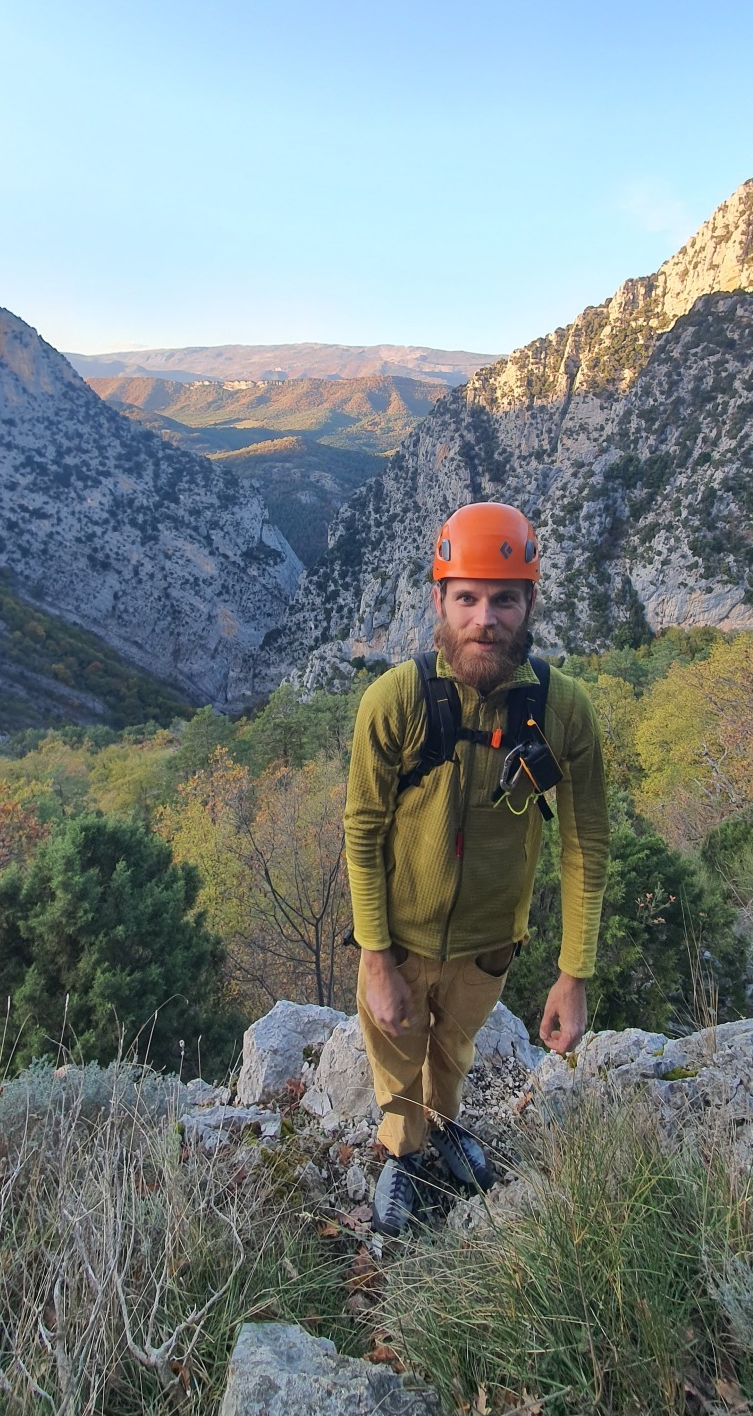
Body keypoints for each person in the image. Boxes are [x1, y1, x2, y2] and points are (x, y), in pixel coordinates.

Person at [343, 501, 609, 1236]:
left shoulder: (564, 711)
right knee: (397, 1054)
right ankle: (403, 1150)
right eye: (466, 598)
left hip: (489, 946)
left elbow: (586, 844)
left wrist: (574, 973)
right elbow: (362, 832)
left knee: (453, 1050)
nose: (484, 619)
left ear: (530, 604)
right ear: (440, 601)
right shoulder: (395, 701)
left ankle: (445, 1124)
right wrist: (375, 958)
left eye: (503, 600)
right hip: (399, 939)